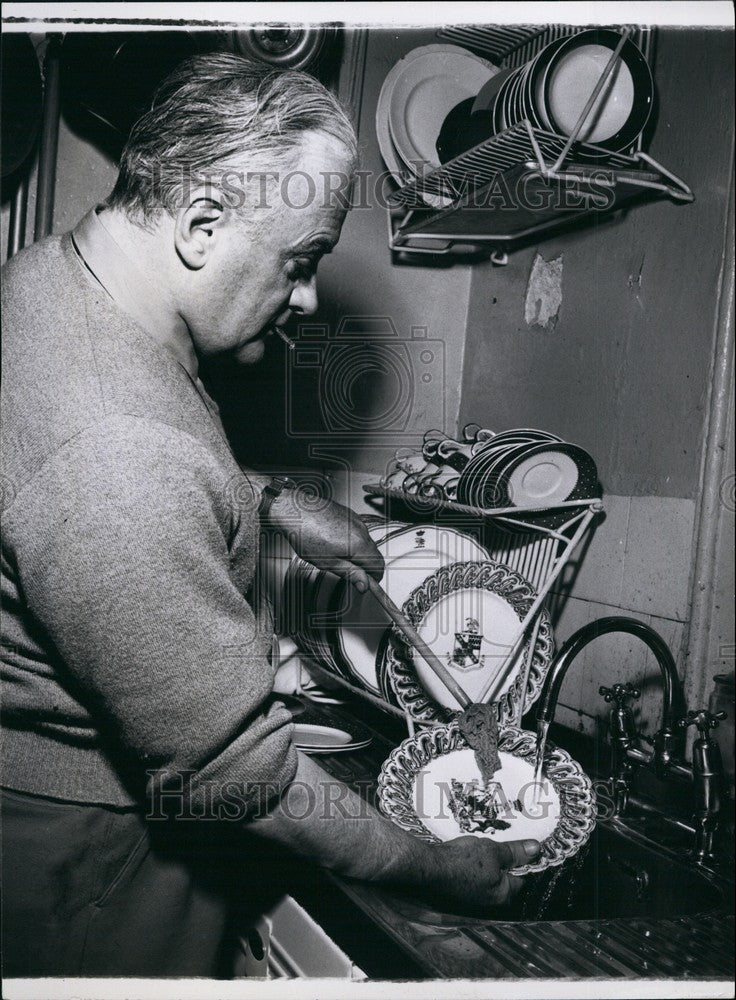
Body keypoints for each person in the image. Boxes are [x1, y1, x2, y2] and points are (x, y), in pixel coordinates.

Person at [0, 53, 540, 978]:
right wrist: (441, 866)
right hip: (89, 859)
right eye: (301, 261)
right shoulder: (120, 459)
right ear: (203, 225)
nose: (307, 299)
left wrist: (273, 501)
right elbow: (244, 780)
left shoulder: (55, 284)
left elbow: (112, 458)